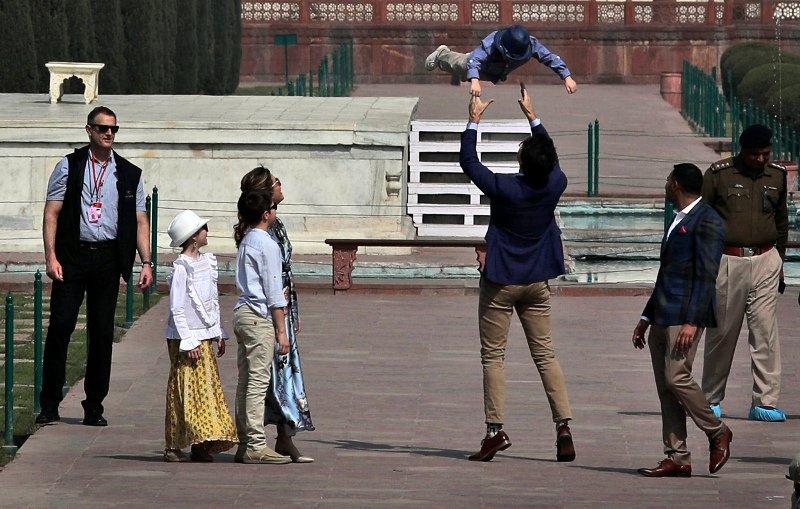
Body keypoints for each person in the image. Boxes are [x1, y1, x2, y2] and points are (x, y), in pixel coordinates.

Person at [460, 83, 575, 462]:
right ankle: (563, 426)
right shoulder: (556, 184)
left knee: (493, 356)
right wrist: (534, 117)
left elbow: (470, 164)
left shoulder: (506, 188)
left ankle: (495, 431)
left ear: (522, 164)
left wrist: (473, 121)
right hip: (536, 281)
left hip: (501, 279)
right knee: (545, 354)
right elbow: (552, 161)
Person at [36, 106, 153, 427]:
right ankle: (49, 404)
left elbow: (140, 220)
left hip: (107, 259)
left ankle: (94, 405)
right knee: (61, 326)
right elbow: (52, 214)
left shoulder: (130, 174)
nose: (109, 134)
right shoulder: (69, 166)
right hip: (73, 256)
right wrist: (51, 256)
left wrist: (146, 261)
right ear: (89, 130)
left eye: (114, 129)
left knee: (102, 333)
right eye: (103, 128)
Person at [632, 163, 733, 478]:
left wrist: (692, 321)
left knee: (677, 377)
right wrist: (646, 317)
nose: (665, 185)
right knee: (666, 388)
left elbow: (706, 275)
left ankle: (717, 431)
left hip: (684, 315)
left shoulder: (708, 221)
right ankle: (677, 456)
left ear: (675, 184)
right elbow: (666, 273)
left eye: (667, 180)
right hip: (662, 312)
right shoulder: (678, 219)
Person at [700, 124, 788, 422]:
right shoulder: (719, 174)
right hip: (728, 261)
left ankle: (765, 400)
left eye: (766, 154)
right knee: (722, 333)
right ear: (743, 151)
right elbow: (701, 219)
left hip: (766, 259)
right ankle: (710, 398)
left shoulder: (777, 175)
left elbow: (781, 221)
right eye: (755, 154)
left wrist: (781, 265)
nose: (761, 159)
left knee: (765, 333)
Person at [239, 167, 314, 463]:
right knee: (263, 379)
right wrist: (281, 324)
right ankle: (255, 443)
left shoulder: (274, 227)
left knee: (283, 377)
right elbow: (272, 283)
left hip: (279, 309)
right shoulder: (261, 236)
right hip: (268, 312)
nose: (280, 184)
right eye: (274, 183)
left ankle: (283, 438)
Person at [162, 210, 237, 463]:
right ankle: (174, 444)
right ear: (193, 237)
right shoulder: (182, 267)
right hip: (186, 338)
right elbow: (178, 307)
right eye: (203, 228)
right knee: (184, 387)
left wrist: (218, 332)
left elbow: (211, 302)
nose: (207, 231)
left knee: (206, 388)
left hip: (203, 334)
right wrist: (188, 340)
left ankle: (202, 442)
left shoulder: (206, 263)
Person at [232, 189, 292, 465]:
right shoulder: (267, 243)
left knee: (246, 381)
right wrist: (281, 330)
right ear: (266, 213)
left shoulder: (247, 239)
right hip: (258, 317)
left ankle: (245, 441)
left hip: (243, 313)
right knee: (257, 383)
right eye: (273, 209)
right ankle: (255, 443)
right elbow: (273, 291)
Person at [425, 24, 577, 97]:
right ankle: (442, 54)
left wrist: (567, 76)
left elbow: (550, 58)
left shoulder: (530, 44)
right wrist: (475, 80)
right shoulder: (492, 43)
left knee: (469, 69)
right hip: (481, 63)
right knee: (464, 65)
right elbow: (475, 61)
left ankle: (467, 64)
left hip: (493, 73)